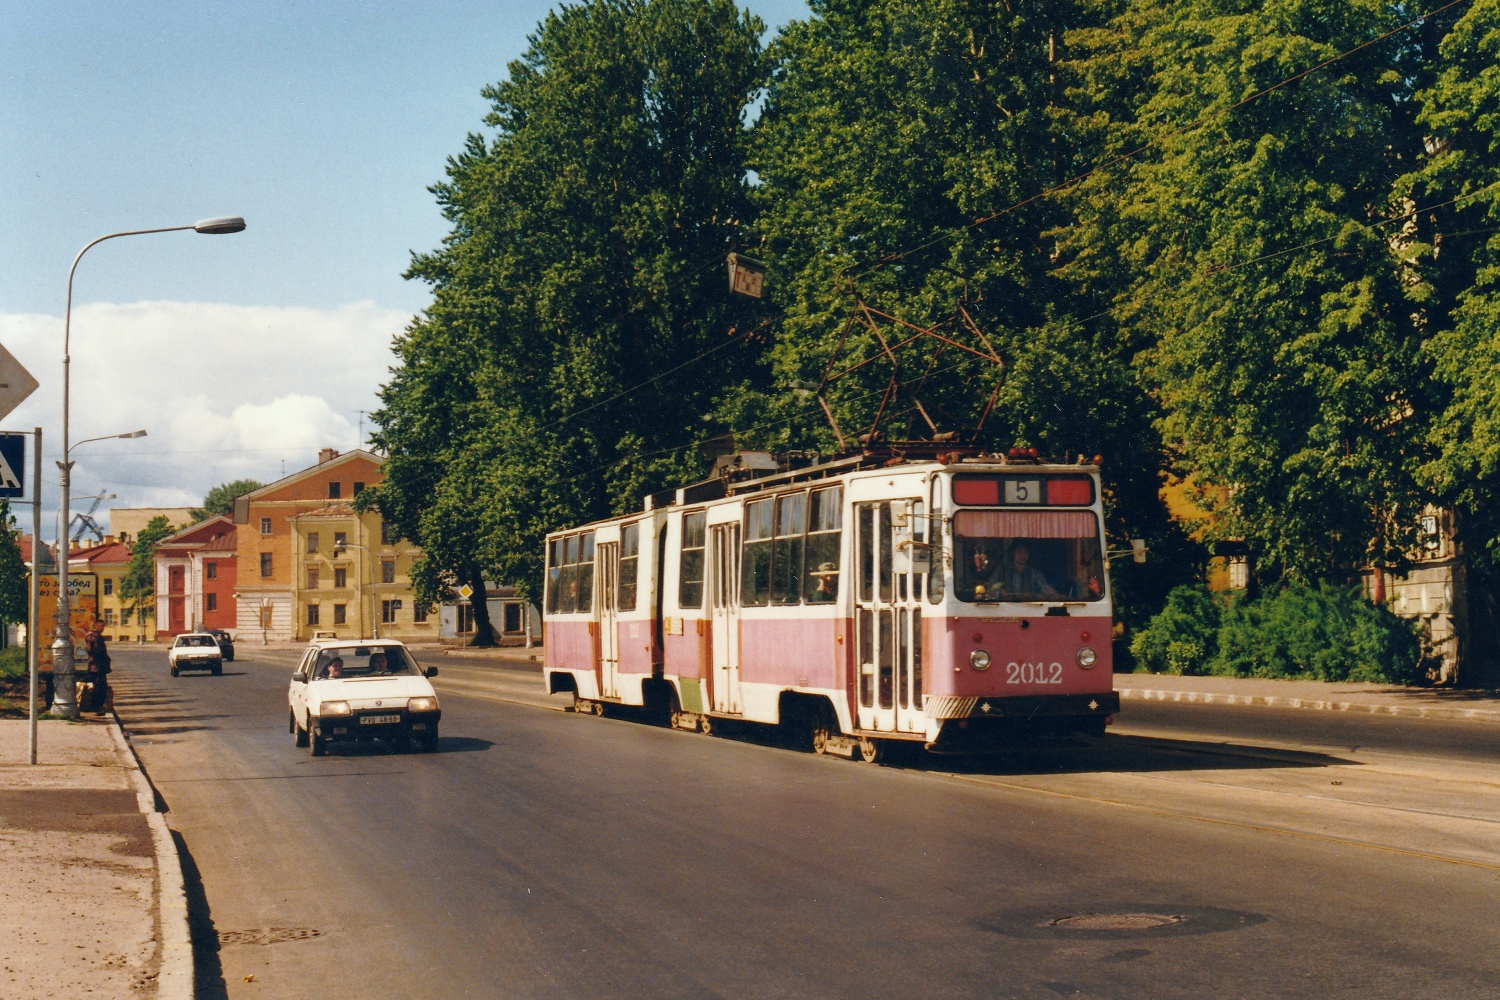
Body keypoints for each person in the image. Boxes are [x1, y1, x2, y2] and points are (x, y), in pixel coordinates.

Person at [84, 620, 111, 715]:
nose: (102, 628)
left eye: (103, 626)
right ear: (95, 626)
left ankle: (97, 706)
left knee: (98, 686)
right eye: (101, 626)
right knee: (100, 687)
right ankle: (97, 707)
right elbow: (93, 650)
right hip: (97, 666)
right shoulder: (95, 636)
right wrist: (103, 658)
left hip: (95, 665)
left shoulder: (91, 635)